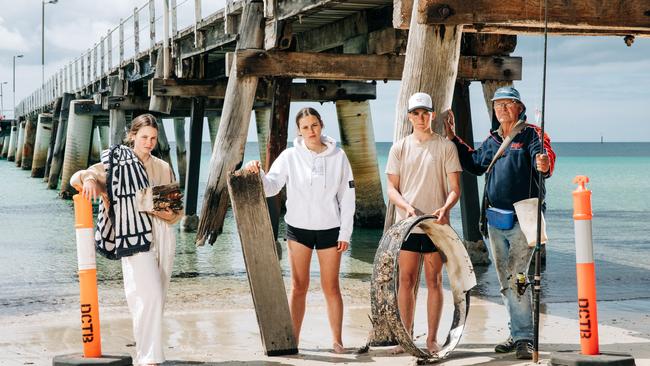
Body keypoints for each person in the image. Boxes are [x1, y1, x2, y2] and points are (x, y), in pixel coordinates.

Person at [444, 86, 555, 360]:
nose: (502, 109)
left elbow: (546, 159)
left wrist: (544, 164)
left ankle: (525, 337)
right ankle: (517, 333)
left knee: (518, 279)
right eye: (498, 105)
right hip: (495, 222)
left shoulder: (532, 135)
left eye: (508, 104)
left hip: (523, 221)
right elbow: (475, 162)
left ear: (519, 108)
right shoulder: (493, 140)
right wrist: (452, 138)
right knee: (506, 281)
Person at [71, 114, 182, 365]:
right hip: (133, 237)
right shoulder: (116, 162)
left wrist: (147, 203)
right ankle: (150, 358)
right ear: (132, 136)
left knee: (154, 297)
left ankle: (146, 355)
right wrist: (90, 179)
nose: (149, 142)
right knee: (148, 295)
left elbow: (175, 211)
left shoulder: (162, 167)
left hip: (162, 234)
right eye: (144, 137)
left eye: (153, 138)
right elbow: (76, 177)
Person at [245, 107, 355, 353]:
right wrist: (258, 172)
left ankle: (337, 341)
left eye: (314, 125)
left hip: (330, 229)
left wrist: (345, 233)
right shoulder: (289, 156)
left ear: (321, 125)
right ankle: (293, 340)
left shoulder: (339, 157)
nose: (311, 131)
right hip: (298, 230)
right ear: (299, 131)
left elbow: (347, 198)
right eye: (305, 127)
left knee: (331, 287)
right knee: (299, 287)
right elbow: (271, 187)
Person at [386, 92, 462, 354]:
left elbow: (455, 188)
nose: (420, 118)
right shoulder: (399, 147)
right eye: (415, 113)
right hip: (406, 226)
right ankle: (405, 337)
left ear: (432, 115)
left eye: (425, 113)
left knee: (434, 282)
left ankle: (431, 339)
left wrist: (446, 207)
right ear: (409, 117)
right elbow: (392, 190)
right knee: (405, 281)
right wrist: (406, 207)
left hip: (436, 225)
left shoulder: (446, 147)